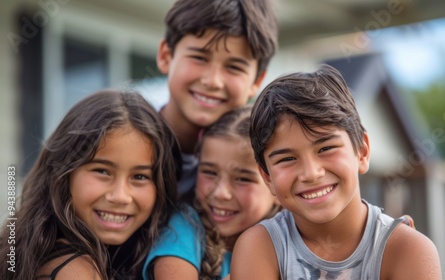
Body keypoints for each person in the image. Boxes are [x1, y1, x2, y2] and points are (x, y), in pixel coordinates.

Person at [230, 65, 442, 279]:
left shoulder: (405, 250)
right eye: (287, 159)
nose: (311, 173)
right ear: (267, 176)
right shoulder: (260, 247)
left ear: (362, 151)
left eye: (326, 149)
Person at [0, 90, 180, 279]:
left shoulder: (35, 249)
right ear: (64, 172)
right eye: (102, 171)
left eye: (140, 176)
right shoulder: (75, 271)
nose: (120, 196)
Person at [155, 0, 278, 200]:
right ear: (166, 56)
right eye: (199, 58)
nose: (213, 81)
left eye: (234, 67)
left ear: (257, 81)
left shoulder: (264, 164)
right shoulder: (122, 144)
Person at [142, 105, 282, 280]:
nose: (221, 193)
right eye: (209, 172)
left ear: (277, 185)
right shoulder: (183, 226)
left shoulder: (290, 238)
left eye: (243, 179)